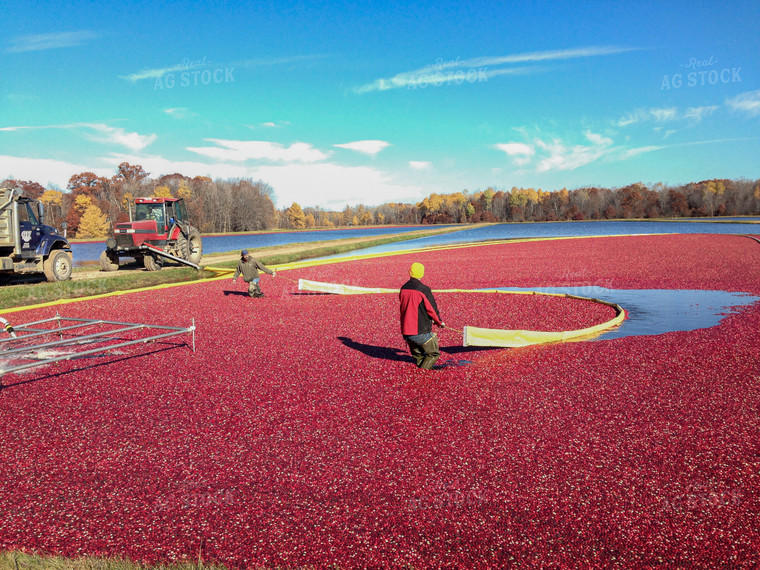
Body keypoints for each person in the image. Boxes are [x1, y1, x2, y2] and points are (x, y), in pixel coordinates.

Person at [399, 262, 446, 370]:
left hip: (406, 333)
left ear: (409, 272)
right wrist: (439, 322)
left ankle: (420, 374)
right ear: (422, 273)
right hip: (419, 331)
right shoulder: (423, 289)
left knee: (419, 356)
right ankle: (422, 373)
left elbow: (408, 306)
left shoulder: (403, 288)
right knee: (433, 354)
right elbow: (432, 309)